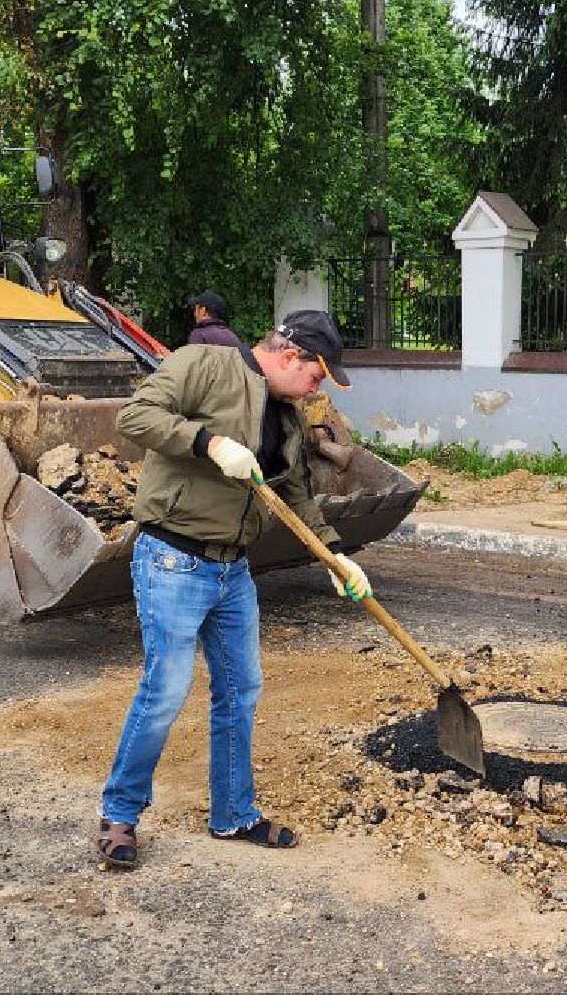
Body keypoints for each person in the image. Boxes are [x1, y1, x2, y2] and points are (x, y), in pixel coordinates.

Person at [95, 309, 370, 869]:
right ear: (291, 357)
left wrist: (335, 554)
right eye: (317, 376)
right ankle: (120, 816)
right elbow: (135, 416)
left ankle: (233, 813)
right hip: (173, 558)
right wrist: (207, 442)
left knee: (241, 692)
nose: (317, 390)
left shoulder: (287, 416)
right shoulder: (206, 365)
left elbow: (293, 493)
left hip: (232, 570)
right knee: (165, 691)